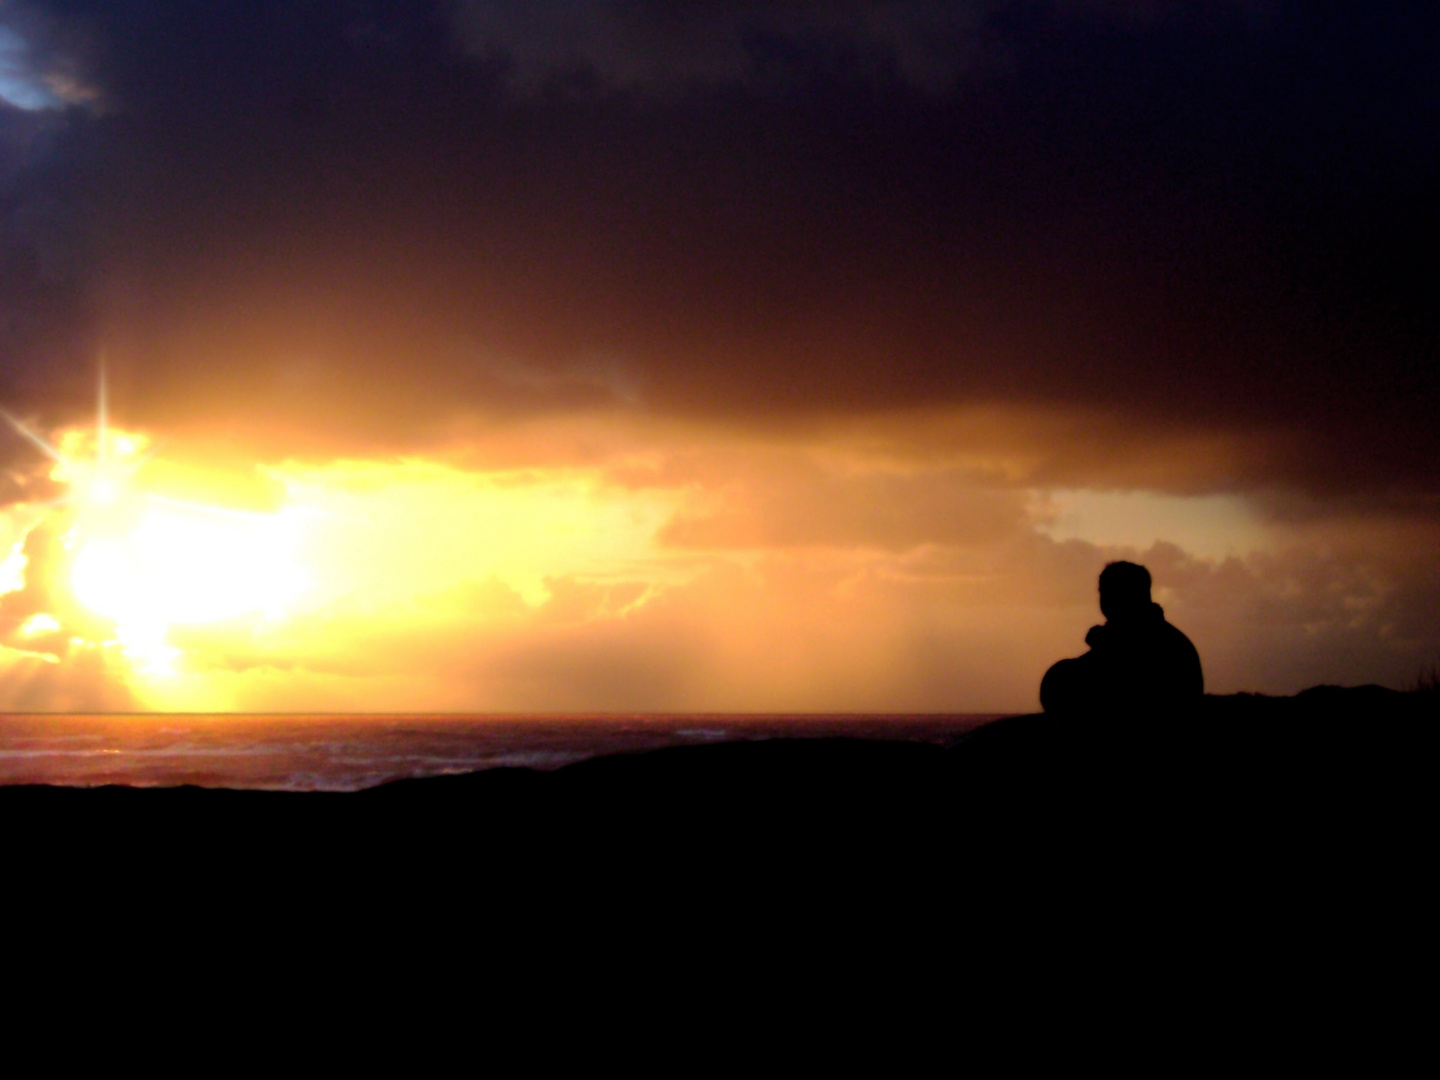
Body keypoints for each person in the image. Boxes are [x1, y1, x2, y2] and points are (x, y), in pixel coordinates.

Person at [1040, 561, 1203, 715]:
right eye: (1104, 591)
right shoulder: (1166, 637)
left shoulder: (1151, 642)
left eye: (1111, 591)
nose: (1106, 599)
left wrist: (1102, 645)